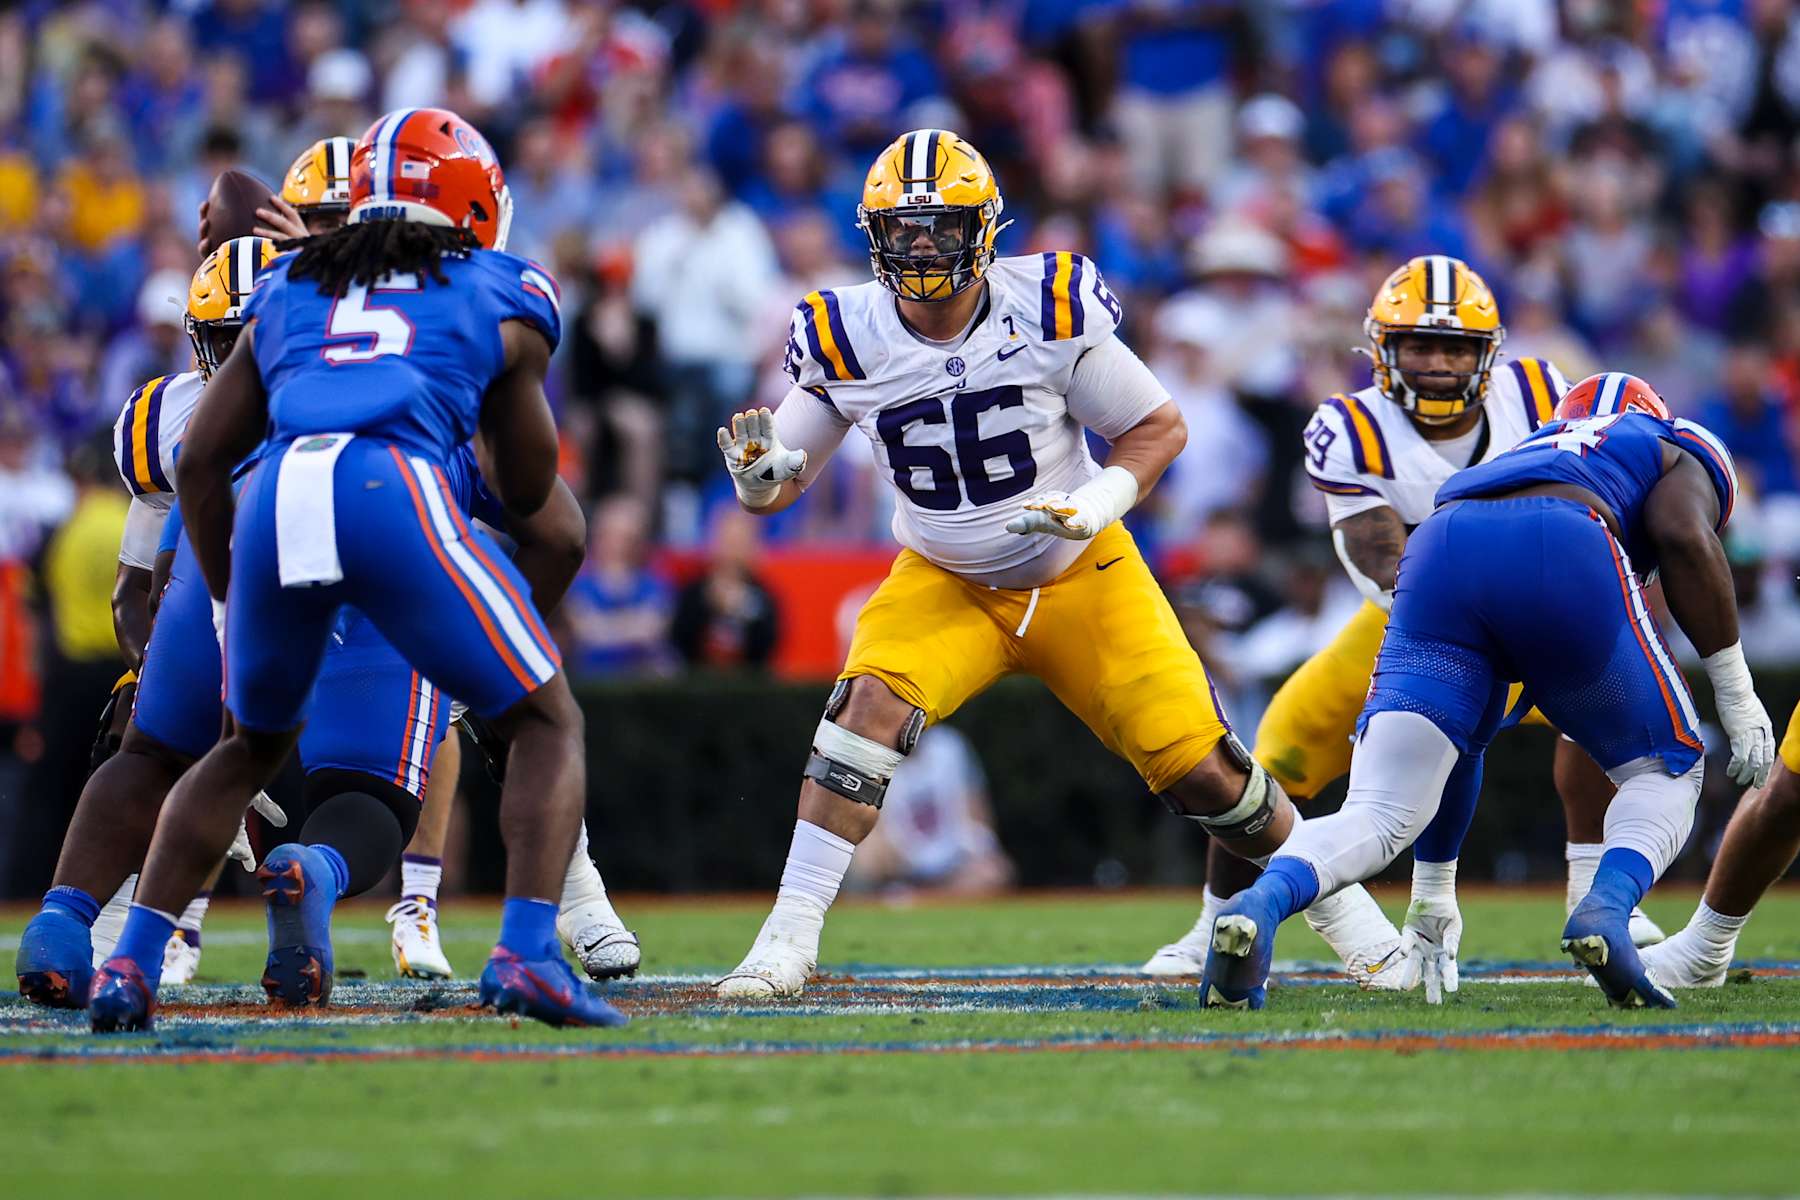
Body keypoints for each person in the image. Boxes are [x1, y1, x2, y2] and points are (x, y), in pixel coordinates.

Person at [710, 128, 1392, 999]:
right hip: (946, 578)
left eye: (941, 226)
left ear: (984, 229)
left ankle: (1362, 932)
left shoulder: (1046, 304)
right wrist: (760, 481)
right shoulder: (845, 330)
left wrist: (1098, 502)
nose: (922, 246)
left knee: (1205, 770)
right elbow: (777, 486)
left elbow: (1157, 427)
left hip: (1082, 570)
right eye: (904, 228)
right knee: (863, 710)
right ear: (875, 235)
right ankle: (786, 940)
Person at [85, 107, 623, 1032]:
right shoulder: (501, 287)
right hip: (390, 488)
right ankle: (528, 954)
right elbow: (537, 494)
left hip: (273, 498)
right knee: (544, 717)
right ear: (475, 208)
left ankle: (129, 964)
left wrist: (223, 597)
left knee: (243, 747)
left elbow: (204, 460)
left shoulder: (288, 284)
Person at [1143, 256, 1663, 980]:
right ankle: (1210, 923)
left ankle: (1594, 886)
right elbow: (1385, 558)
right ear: (1383, 350)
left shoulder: (1544, 392)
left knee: (1605, 715)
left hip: (1539, 611)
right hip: (1412, 616)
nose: (1440, 364)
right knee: (1281, 749)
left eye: (1456, 347)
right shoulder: (1349, 425)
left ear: (1490, 353)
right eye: (1420, 345)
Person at [1201, 372, 1771, 1011]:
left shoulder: (1528, 448)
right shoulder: (1669, 437)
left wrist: (1434, 893)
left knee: (1383, 810)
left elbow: (1466, 745)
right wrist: (1736, 691)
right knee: (1667, 766)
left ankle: (1264, 900)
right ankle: (1607, 910)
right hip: (1565, 537)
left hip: (1441, 545)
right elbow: (1682, 532)